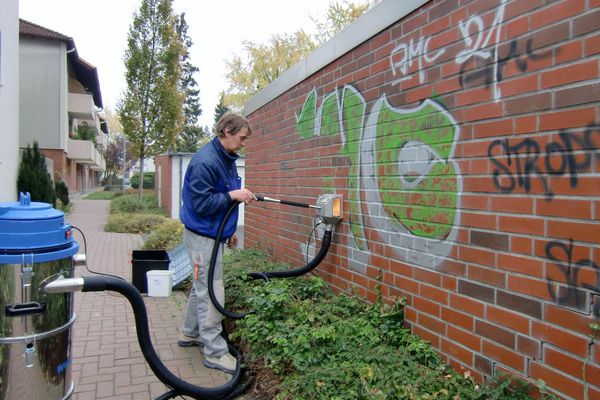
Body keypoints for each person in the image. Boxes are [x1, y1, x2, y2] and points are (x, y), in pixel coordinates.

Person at [178, 112, 256, 374]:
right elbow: (201, 205)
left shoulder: (226, 158)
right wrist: (233, 194)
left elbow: (219, 197)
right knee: (211, 292)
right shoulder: (206, 162)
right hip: (202, 238)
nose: (243, 143)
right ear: (226, 131)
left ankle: (190, 333)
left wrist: (228, 231)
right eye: (241, 138)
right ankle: (214, 352)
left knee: (202, 286)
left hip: (214, 233)